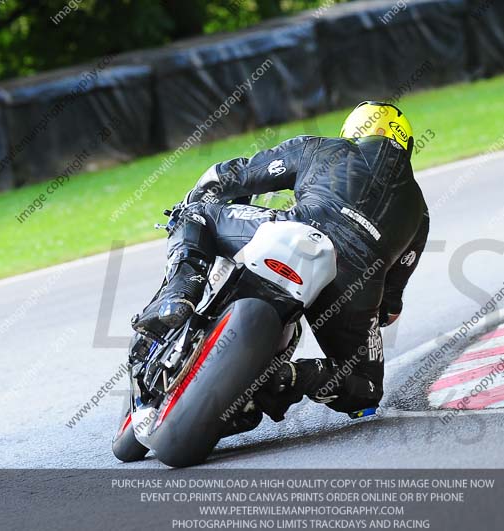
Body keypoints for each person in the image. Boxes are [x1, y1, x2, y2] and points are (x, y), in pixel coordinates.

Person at [132, 101, 429, 424]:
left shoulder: (323, 147)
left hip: (297, 228)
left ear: (353, 132)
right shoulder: (420, 214)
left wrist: (199, 195)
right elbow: (390, 305)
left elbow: (236, 175)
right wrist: (373, 313)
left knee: (193, 216)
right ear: (406, 146)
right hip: (354, 283)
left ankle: (180, 293)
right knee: (366, 390)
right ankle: (291, 376)